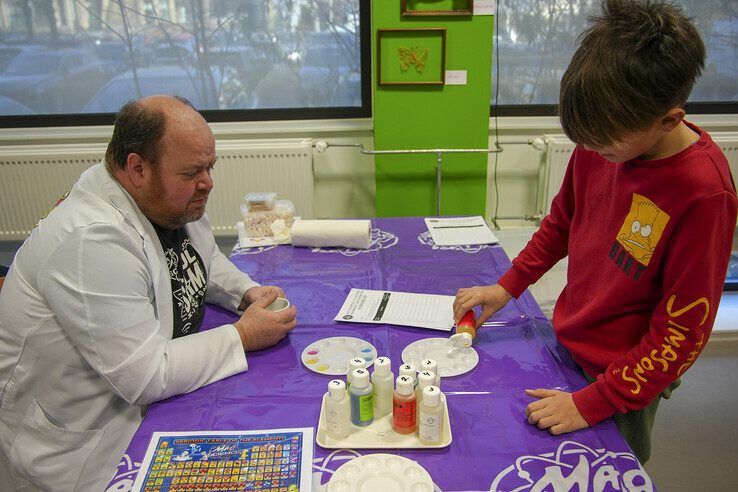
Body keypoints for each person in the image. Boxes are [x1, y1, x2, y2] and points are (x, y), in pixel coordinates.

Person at [454, 0, 737, 464]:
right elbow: (562, 223)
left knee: (607, 466)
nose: (590, 152)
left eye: (603, 146)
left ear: (668, 119)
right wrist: (507, 286)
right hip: (570, 341)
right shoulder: (604, 137)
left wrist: (596, 401)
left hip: (626, 374)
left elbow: (682, 333)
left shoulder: (704, 194)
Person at [0, 95, 297, 490]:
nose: (208, 183)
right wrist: (244, 335)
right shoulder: (91, 241)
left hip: (142, 399)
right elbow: (146, 374)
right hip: (82, 449)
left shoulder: (166, 198)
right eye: (193, 171)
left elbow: (203, 256)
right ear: (137, 167)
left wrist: (246, 292)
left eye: (210, 167)